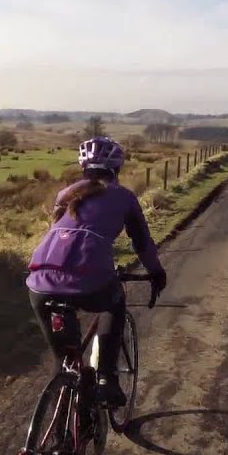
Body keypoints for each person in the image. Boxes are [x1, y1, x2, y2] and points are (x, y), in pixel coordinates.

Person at [27, 137, 167, 406]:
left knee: (63, 359)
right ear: (117, 168)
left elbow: (59, 232)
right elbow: (142, 243)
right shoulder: (124, 197)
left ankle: (58, 433)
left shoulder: (65, 194)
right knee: (113, 304)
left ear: (84, 168)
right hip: (88, 275)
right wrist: (156, 272)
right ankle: (106, 378)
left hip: (39, 280)